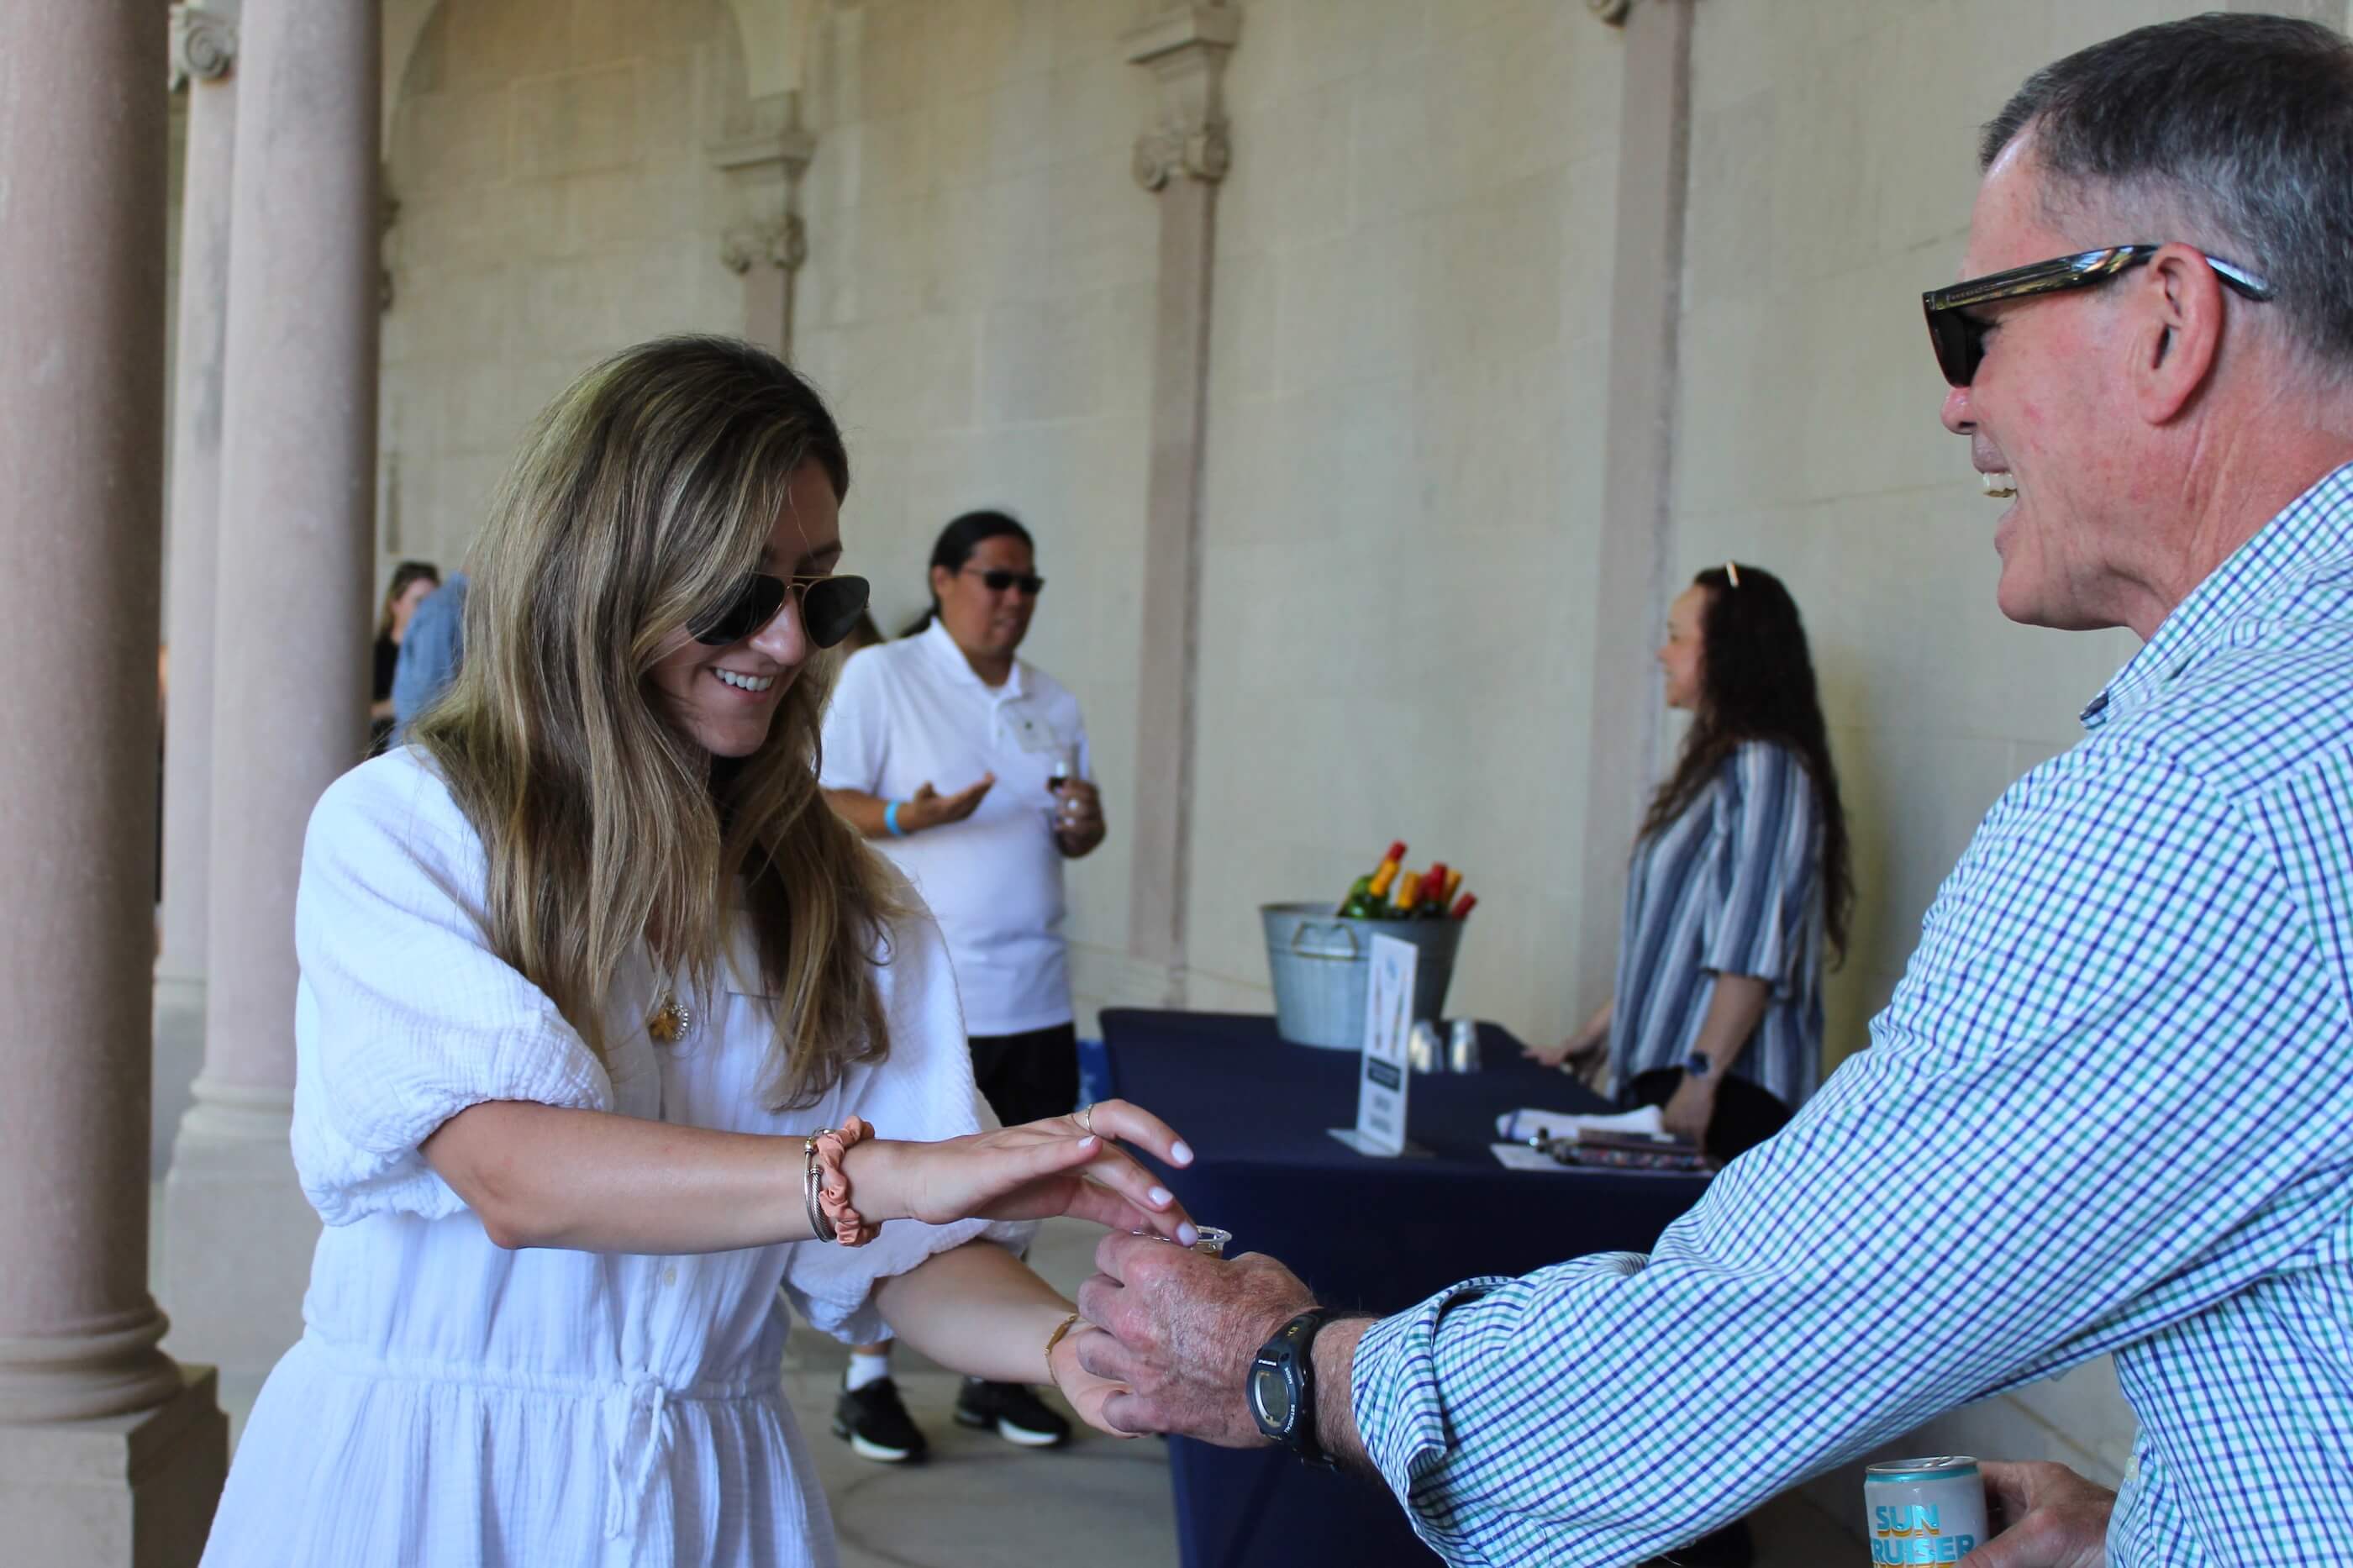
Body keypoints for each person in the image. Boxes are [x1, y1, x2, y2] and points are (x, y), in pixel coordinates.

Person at [1071, 15, 2353, 1566]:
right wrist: (2163, 1522)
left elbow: (1719, 1357)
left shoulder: (2206, 808)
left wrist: (1290, 1365)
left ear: (2167, 320)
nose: (1956, 403)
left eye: (1974, 328)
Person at [197, 336, 1194, 1568]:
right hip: (428, 1487)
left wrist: (1065, 1350)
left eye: (817, 590)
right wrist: (876, 1175)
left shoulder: (842, 903)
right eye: (738, 590)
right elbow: (519, 1175)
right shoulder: (409, 828)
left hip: (708, 1502)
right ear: (603, 574)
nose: (786, 643)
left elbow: (903, 1263)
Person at [816, 509, 1107, 1463]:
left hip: (1035, 986)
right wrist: (911, 812)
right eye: (996, 580)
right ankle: (869, 1382)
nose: (1014, 600)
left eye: (1029, 585)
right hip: (925, 995)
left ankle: (998, 1375)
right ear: (943, 580)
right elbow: (824, 800)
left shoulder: (1050, 699)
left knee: (1025, 1186)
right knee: (902, 1189)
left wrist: (1082, 825)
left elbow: (1077, 831)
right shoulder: (883, 676)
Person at [1528, 562, 1851, 1160]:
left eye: (1678, 637)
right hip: (1669, 1076)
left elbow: (1751, 949)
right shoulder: (1717, 769)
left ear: (1729, 653)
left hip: (1726, 1092)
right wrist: (1595, 1036)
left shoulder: (1766, 767)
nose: (1661, 653)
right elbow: (1675, 945)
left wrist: (1701, 1078)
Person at [369, 560, 439, 753]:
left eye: (434, 601)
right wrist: (398, 704)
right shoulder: (375, 656)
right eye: (419, 601)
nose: (429, 610)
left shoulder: (438, 656)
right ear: (396, 605)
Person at [390, 566, 466, 741]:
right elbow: (430, 701)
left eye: (431, 598)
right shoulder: (440, 612)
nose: (425, 608)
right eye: (419, 601)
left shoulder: (441, 616)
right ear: (395, 605)